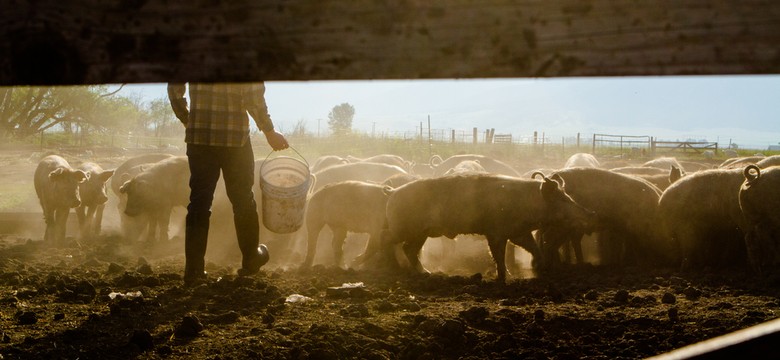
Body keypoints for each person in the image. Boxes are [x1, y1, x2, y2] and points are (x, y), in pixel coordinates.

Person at [168, 82, 289, 285]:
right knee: (243, 199)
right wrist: (269, 131)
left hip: (199, 139)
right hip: (235, 140)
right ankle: (251, 258)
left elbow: (174, 87)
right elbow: (253, 97)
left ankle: (194, 270)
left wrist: (187, 118)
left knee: (199, 201)